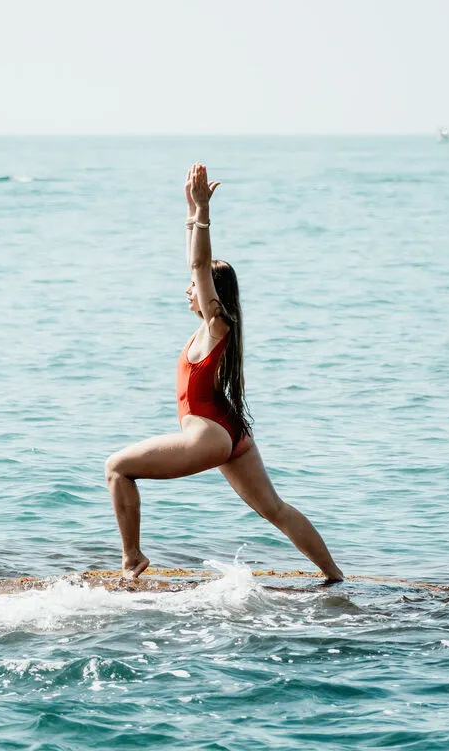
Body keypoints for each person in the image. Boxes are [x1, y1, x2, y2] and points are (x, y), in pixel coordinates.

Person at [104, 163, 345, 583]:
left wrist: (202, 212)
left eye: (195, 287)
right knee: (275, 509)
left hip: (209, 435)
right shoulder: (211, 329)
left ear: (211, 293)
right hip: (231, 432)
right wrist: (189, 212)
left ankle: (132, 559)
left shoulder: (218, 325)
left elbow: (200, 265)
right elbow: (195, 267)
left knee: (117, 468)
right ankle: (335, 575)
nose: (187, 290)